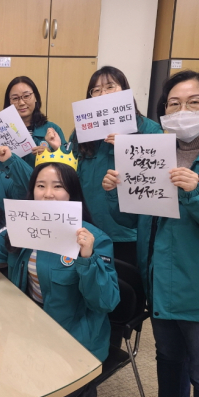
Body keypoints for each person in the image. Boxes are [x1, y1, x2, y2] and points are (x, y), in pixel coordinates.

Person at [102, 70, 199, 397]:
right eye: (173, 104)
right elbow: (133, 221)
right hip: (163, 288)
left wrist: (196, 194)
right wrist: (115, 191)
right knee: (169, 367)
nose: (183, 111)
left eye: (194, 102)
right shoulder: (154, 152)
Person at [0, 156, 119, 397]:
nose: (48, 194)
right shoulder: (22, 228)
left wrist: (87, 258)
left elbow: (105, 302)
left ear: (72, 193)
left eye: (58, 186)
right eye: (41, 186)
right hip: (28, 333)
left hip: (74, 342)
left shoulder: (93, 238)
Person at [66, 66, 163, 265]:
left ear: (124, 90)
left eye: (110, 87)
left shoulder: (148, 129)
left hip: (128, 233)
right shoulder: (82, 133)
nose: (103, 94)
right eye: (96, 90)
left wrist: (128, 147)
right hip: (88, 229)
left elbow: (157, 177)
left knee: (127, 280)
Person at [0, 76, 66, 171]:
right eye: (15, 98)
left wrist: (51, 155)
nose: (21, 102)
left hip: (42, 180)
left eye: (26, 96)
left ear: (36, 97)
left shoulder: (52, 129)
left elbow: (67, 167)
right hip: (9, 181)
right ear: (9, 102)